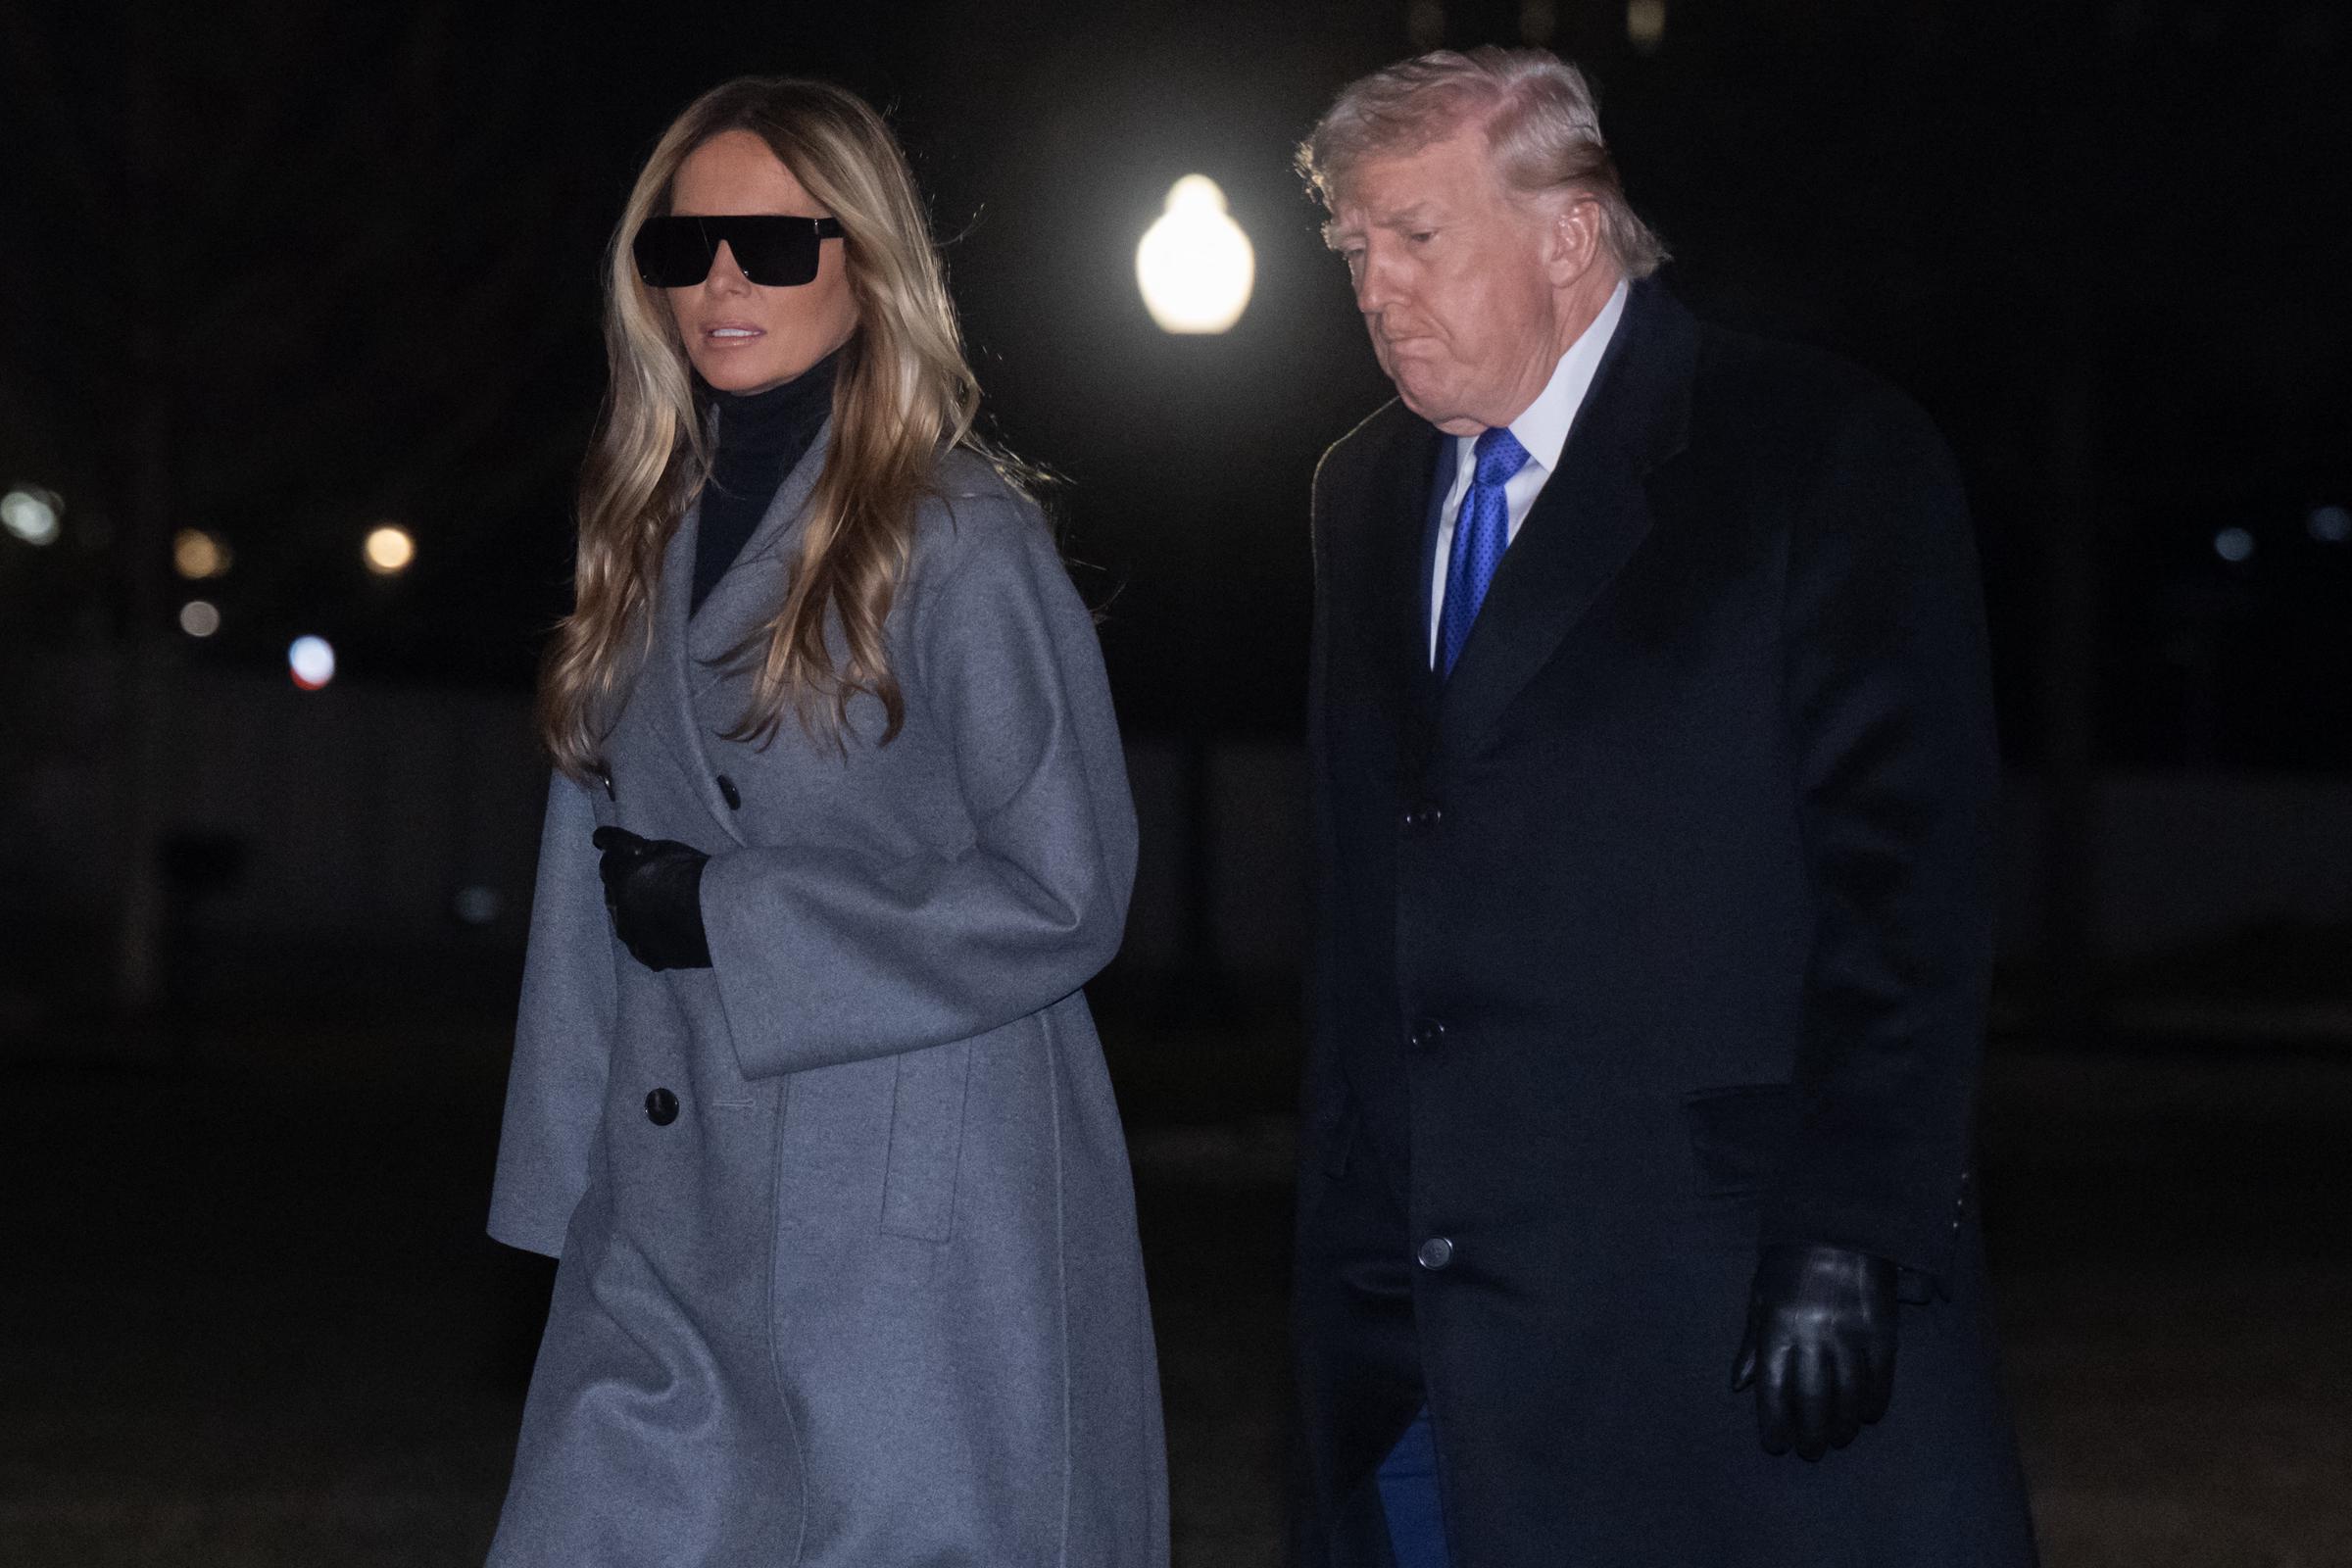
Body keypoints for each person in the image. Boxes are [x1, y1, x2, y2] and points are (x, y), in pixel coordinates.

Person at [1291, 47, 2038, 1568]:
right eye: (1352, 248)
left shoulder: (1813, 449)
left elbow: (1910, 880)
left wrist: (1854, 1222)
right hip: (1427, 1330)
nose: (1376, 288)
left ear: (1567, 235)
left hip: (1721, 1314)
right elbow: (1378, 886)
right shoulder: (1357, 494)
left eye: (1416, 236)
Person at [483, 75, 1166, 1566]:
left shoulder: (963, 538)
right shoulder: (637, 530)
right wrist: (556, 1198)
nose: (721, 279)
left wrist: (735, 916)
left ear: (863, 263)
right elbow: (579, 894)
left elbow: (1070, 889)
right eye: (684, 246)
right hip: (668, 1212)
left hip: (916, 1220)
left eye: (773, 243)